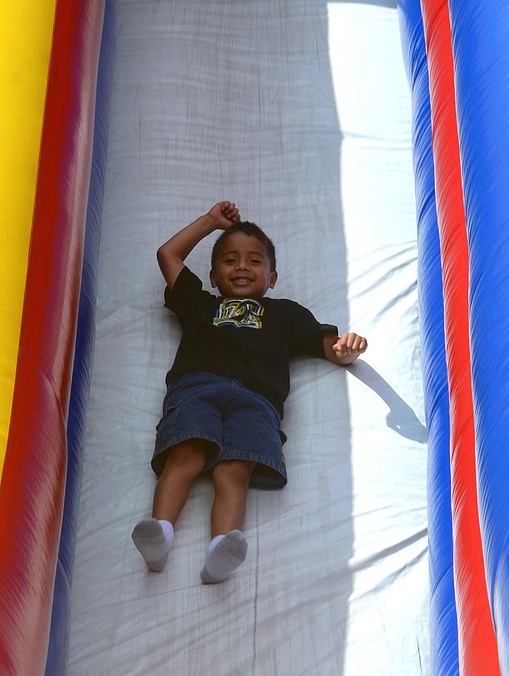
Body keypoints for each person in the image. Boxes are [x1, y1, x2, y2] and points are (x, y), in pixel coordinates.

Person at [131, 200, 367, 583]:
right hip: (198, 385)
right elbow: (168, 254)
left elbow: (324, 344)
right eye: (230, 260)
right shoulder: (202, 304)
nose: (242, 266)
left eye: (255, 261)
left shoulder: (285, 314)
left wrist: (344, 350)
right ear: (211, 275)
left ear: (272, 278)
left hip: (257, 401)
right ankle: (161, 533)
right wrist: (211, 222)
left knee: (234, 468)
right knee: (186, 454)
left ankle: (220, 550)